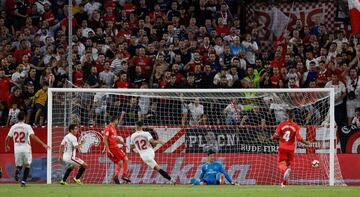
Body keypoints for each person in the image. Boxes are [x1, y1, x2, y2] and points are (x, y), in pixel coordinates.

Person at [4, 111, 49, 187]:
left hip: (17, 149)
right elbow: (32, 136)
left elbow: (7, 138)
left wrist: (6, 146)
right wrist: (43, 144)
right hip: (26, 148)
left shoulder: (13, 127)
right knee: (27, 165)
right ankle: (23, 182)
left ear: (18, 118)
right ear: (24, 117)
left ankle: (18, 170)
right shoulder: (27, 126)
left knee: (19, 165)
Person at [272, 109, 310, 187]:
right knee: (288, 165)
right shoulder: (296, 126)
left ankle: (285, 170)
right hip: (291, 149)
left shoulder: (281, 124)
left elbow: (275, 136)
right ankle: (284, 183)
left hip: (282, 147)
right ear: (294, 117)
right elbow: (299, 138)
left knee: (281, 164)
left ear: (286, 116)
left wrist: (273, 137)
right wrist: (307, 143)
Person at [103, 116, 130, 184]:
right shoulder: (108, 128)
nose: (118, 122)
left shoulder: (114, 128)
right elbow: (104, 139)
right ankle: (124, 175)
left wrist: (123, 143)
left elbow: (115, 139)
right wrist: (107, 149)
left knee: (119, 163)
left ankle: (116, 176)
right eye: (117, 120)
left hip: (113, 148)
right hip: (113, 148)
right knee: (125, 159)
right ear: (115, 121)